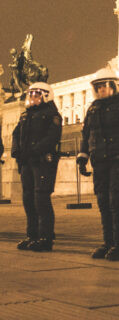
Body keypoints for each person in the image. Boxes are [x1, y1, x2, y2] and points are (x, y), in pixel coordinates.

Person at [76, 68, 119, 261]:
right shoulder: (93, 108)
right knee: (103, 203)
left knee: (118, 203)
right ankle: (108, 243)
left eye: (103, 87)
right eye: (97, 88)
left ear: (113, 86)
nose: (100, 91)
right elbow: (87, 134)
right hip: (100, 162)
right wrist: (83, 157)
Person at [11, 82, 62, 251]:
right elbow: (16, 134)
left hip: (42, 162)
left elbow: (52, 137)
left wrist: (33, 151)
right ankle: (32, 235)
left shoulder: (52, 115)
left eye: (36, 95)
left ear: (46, 96)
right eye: (31, 95)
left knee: (41, 200)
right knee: (28, 199)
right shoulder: (26, 115)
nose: (32, 98)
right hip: (27, 162)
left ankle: (45, 237)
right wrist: (16, 151)